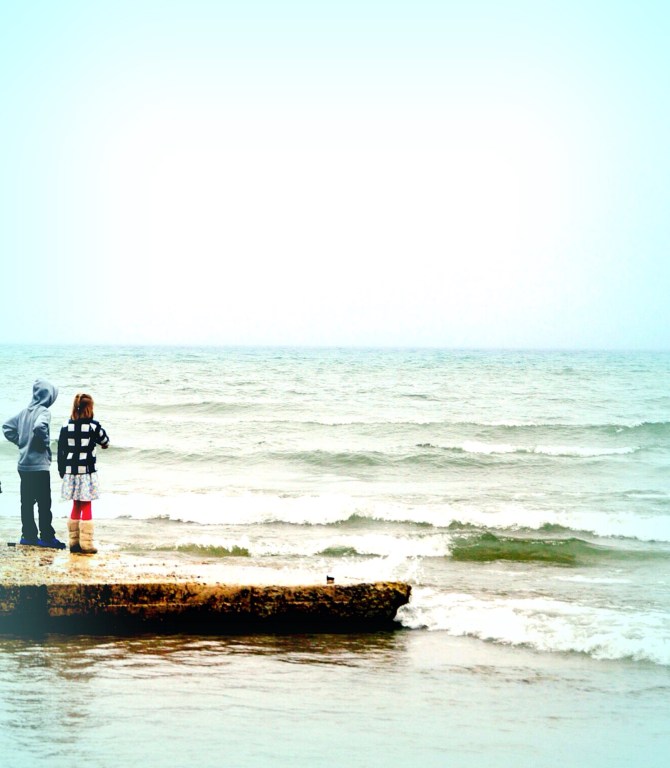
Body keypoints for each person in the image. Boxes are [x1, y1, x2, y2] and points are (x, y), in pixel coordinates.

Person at [2, 379, 66, 548]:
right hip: (39, 466)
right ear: (48, 396)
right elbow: (39, 427)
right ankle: (46, 536)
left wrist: (21, 442)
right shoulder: (44, 412)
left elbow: (6, 427)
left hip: (24, 465)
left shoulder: (24, 412)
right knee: (44, 503)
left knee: (27, 502)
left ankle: (28, 535)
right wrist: (43, 443)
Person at [57, 393, 110, 554]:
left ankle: (74, 543)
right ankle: (86, 544)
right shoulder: (93, 426)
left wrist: (61, 470)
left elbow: (61, 450)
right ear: (89, 408)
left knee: (76, 504)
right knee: (86, 504)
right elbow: (105, 441)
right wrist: (102, 445)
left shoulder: (66, 425)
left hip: (70, 471)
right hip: (86, 471)